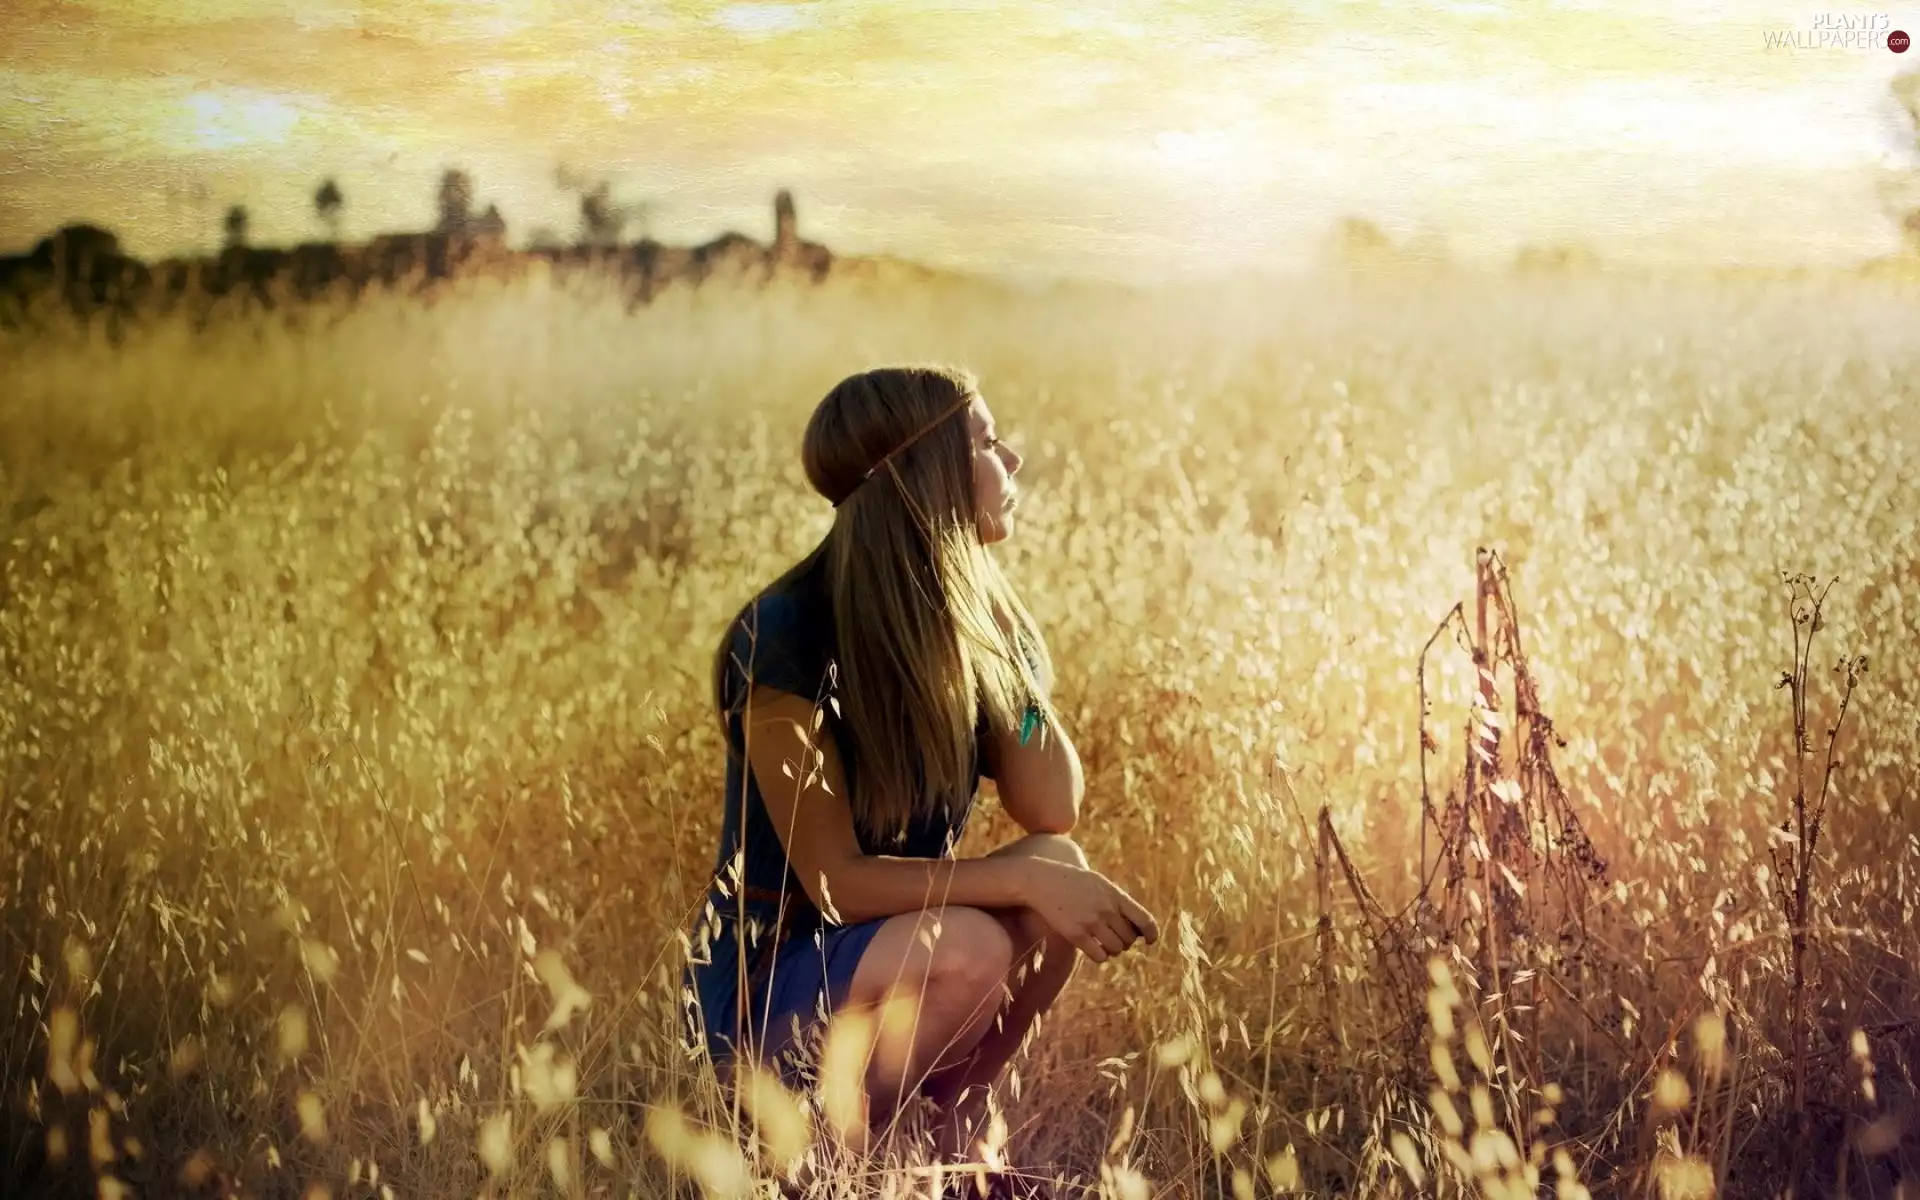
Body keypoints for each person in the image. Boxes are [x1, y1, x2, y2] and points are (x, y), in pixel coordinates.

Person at [680, 364, 1160, 1188]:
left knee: (1059, 868)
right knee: (983, 932)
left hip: (885, 954)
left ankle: (950, 1127)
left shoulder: (981, 631)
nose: (1012, 460)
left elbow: (1053, 804)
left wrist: (1017, 670)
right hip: (767, 984)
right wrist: (1014, 878)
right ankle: (832, 1162)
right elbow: (834, 885)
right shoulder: (787, 633)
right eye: (984, 442)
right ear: (924, 470)